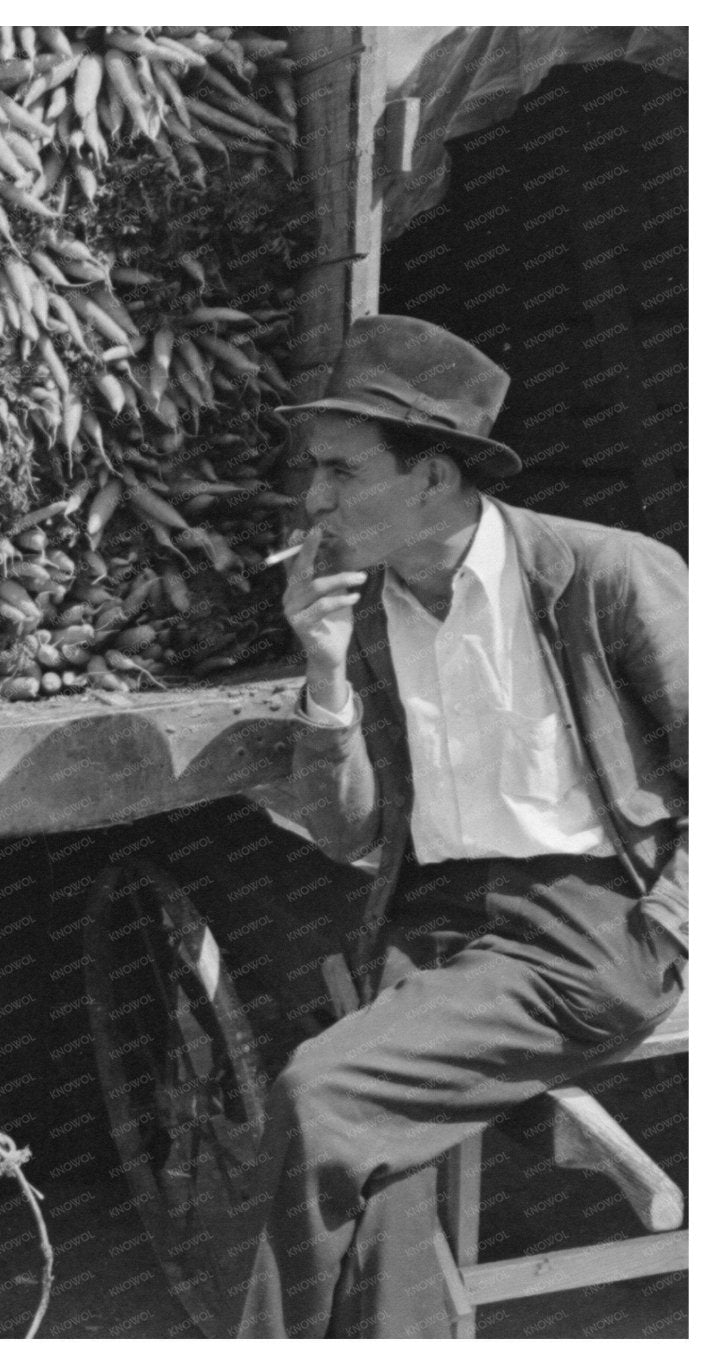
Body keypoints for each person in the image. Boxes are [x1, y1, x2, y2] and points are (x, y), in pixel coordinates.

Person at [236, 314, 688, 1336]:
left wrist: (668, 928)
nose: (312, 500)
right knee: (381, 1166)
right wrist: (318, 666)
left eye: (340, 473)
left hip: (583, 933)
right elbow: (350, 837)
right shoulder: (363, 613)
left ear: (432, 478)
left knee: (319, 1093)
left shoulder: (602, 574)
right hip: (436, 927)